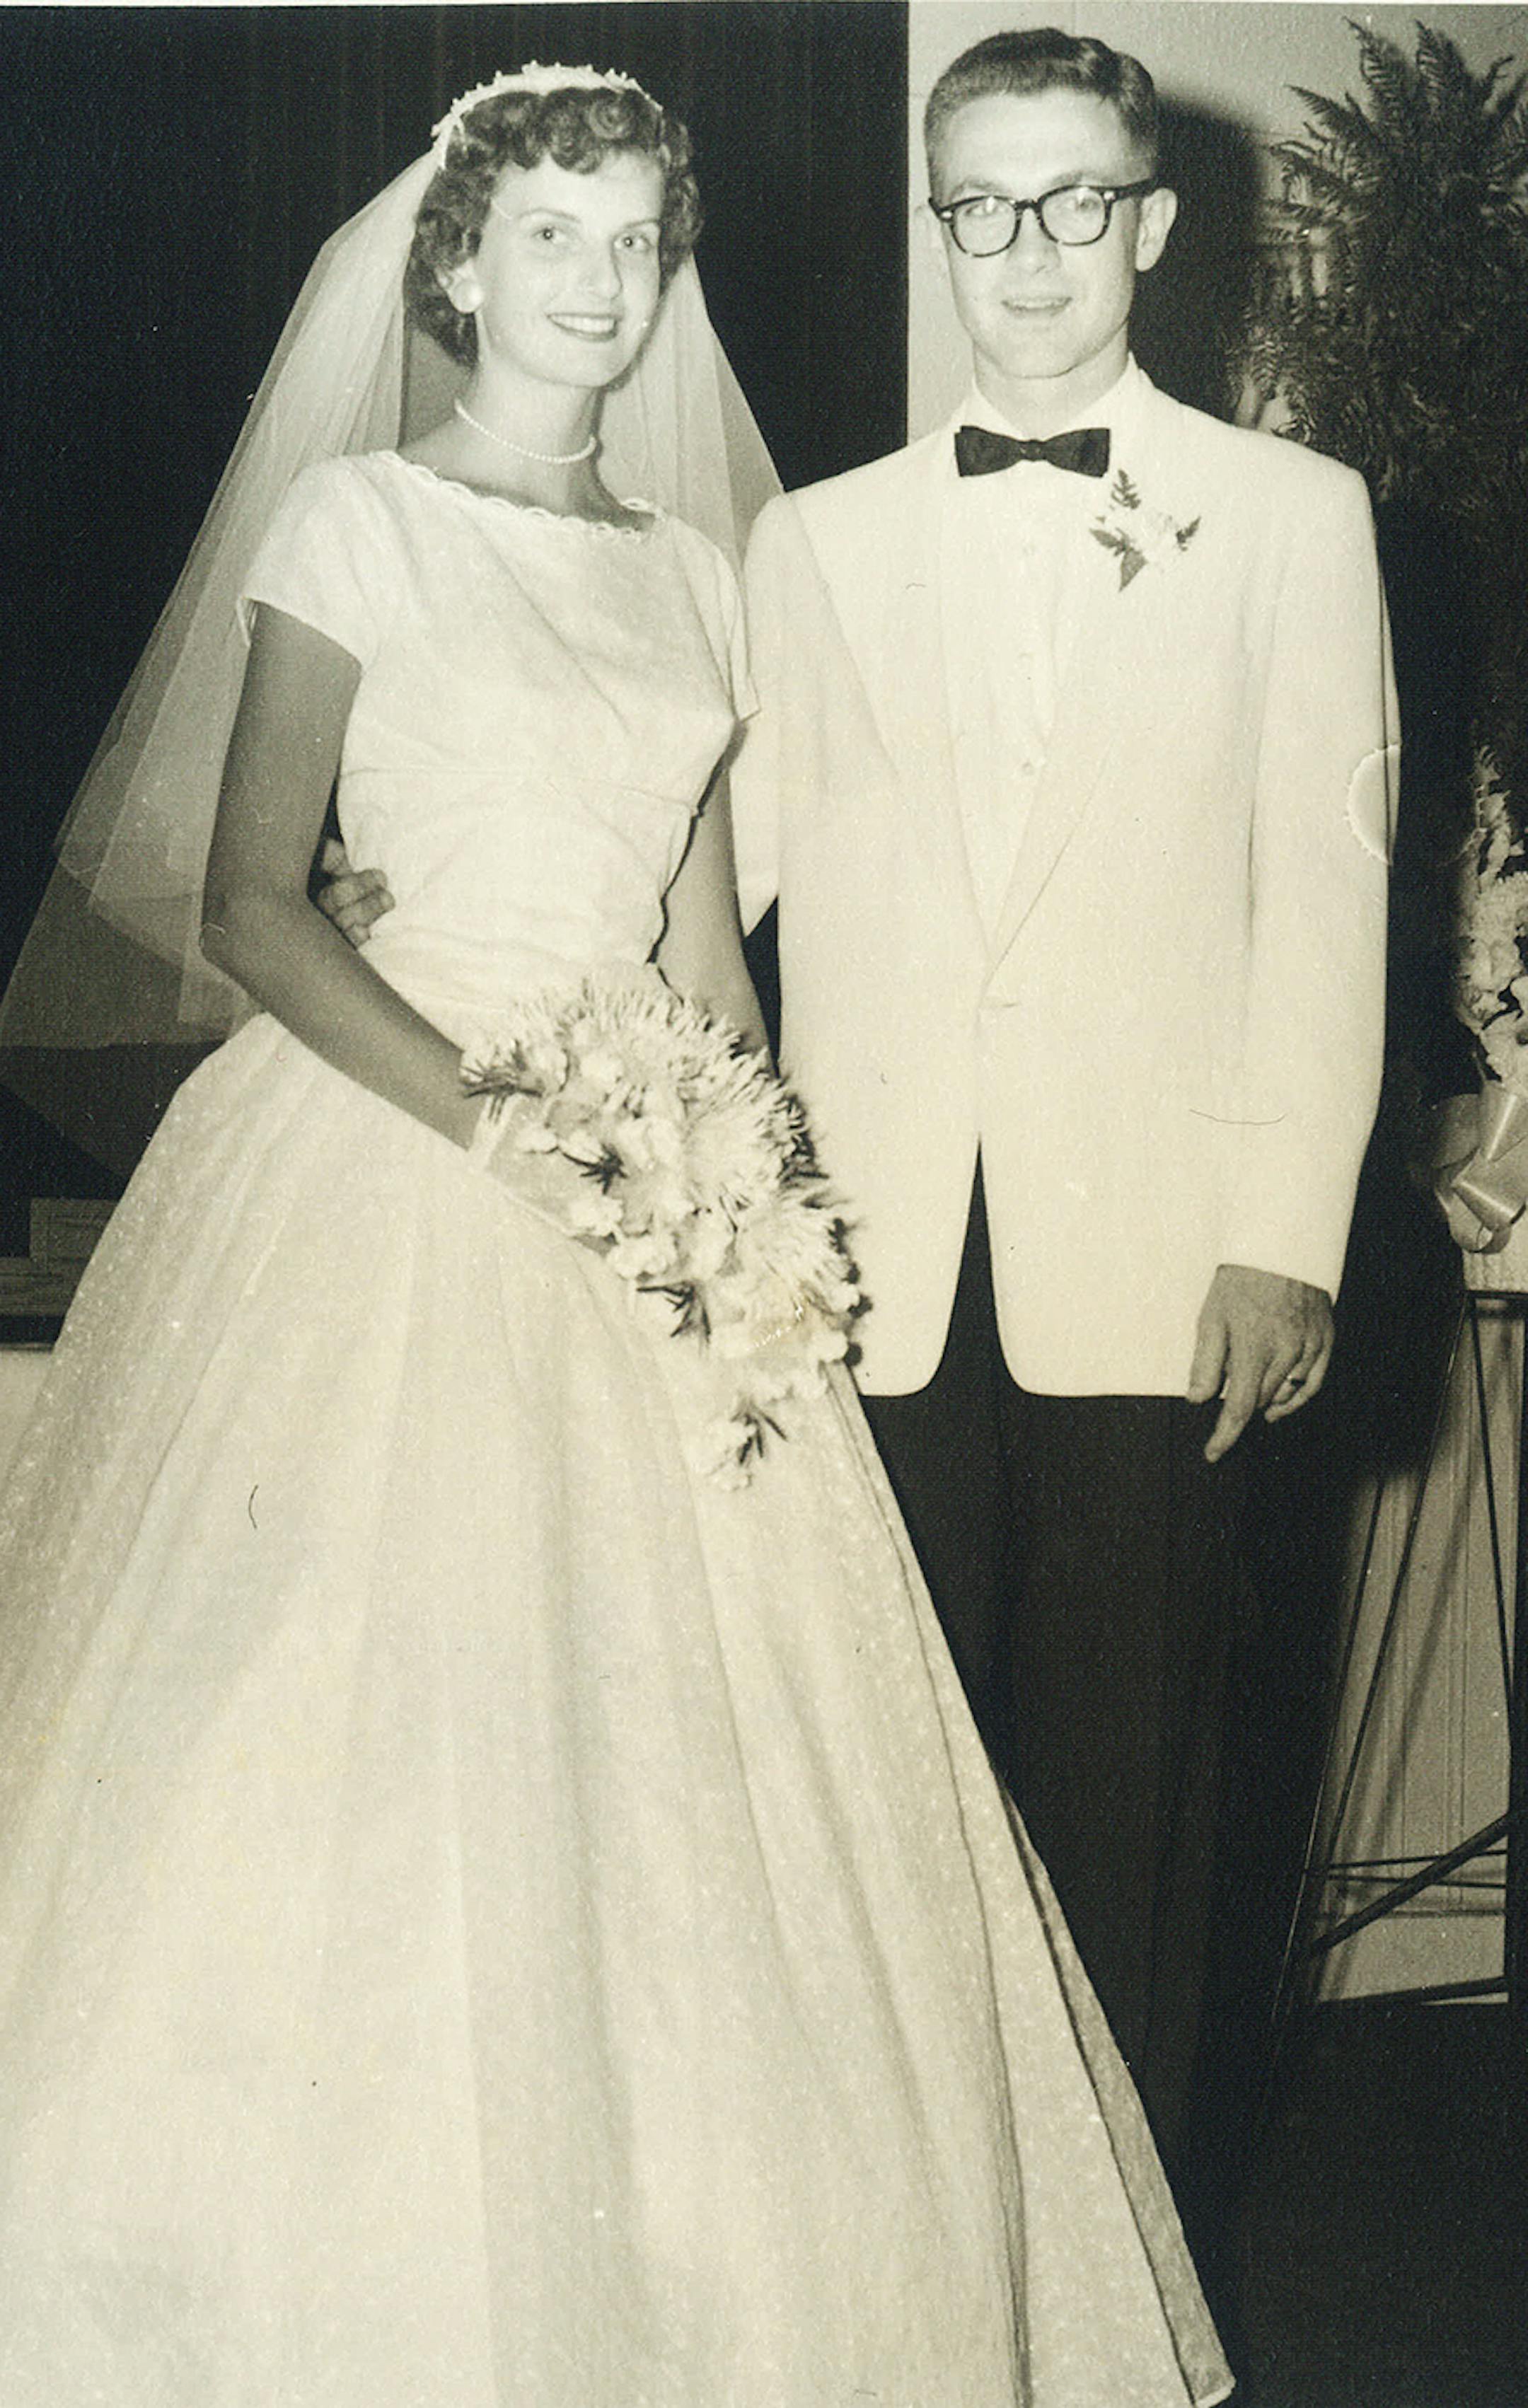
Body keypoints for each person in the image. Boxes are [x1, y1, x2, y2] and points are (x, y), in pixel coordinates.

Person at [0, 65, 1232, 2407]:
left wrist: (735, 1196)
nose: (599, 283)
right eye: (552, 238)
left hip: (653, 1185)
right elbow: (263, 903)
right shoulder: (357, 526)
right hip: (395, 1156)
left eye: (638, 242)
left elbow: (704, 957)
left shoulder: (696, 571)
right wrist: (509, 1141)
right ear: (459, 265)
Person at [727, 24, 1397, 2244]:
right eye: (980, 208)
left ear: (1154, 225)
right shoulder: (807, 541)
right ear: (938, 226)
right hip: (868, 1283)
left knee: (1141, 1806)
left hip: (1158, 1268)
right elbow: (734, 898)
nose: (1025, 255)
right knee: (884, 1809)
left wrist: (1283, 1230)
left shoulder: (1299, 521)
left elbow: (1325, 899)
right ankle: (917, 2265)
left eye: (1073, 203)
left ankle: (1127, 2285)